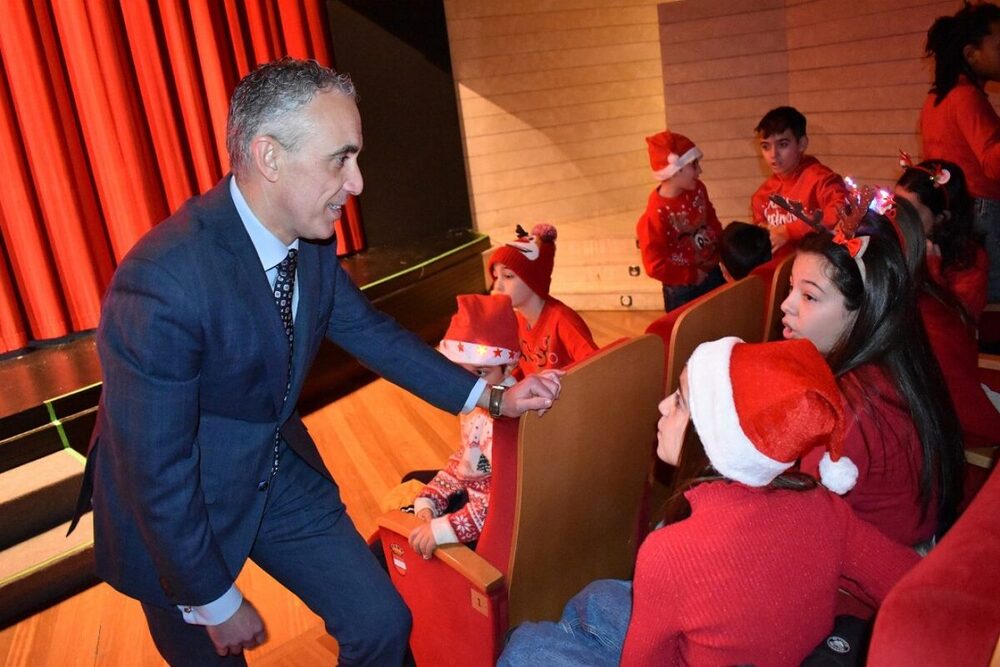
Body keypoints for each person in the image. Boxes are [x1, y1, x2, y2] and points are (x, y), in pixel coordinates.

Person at [69, 58, 561, 667]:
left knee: (381, 623)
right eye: (340, 158)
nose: (357, 183)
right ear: (270, 157)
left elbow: (372, 334)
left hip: (269, 465)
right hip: (172, 509)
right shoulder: (163, 281)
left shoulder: (311, 243)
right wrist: (215, 603)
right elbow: (155, 471)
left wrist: (492, 397)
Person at [498, 337, 921, 666]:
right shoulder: (823, 505)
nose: (664, 406)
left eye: (681, 401)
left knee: (525, 645)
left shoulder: (669, 552)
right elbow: (909, 576)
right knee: (597, 595)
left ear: (714, 439)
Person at [780, 210, 965, 546]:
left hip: (877, 574)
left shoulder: (850, 408)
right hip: (912, 542)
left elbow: (799, 517)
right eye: (791, 287)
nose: (785, 305)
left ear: (862, 311)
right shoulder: (892, 360)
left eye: (809, 296)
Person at [408, 294, 519, 558]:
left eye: (480, 373)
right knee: (412, 490)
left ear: (510, 367)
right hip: (475, 505)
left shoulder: (508, 426)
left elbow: (500, 504)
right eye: (458, 371)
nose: (468, 385)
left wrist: (443, 529)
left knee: (389, 550)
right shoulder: (477, 408)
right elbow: (469, 460)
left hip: (493, 531)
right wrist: (431, 498)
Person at [891, 195, 1000, 452]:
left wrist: (932, 273)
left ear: (941, 218)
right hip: (949, 405)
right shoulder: (916, 297)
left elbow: (962, 316)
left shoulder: (965, 257)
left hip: (959, 416)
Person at [921, 2, 1000, 301]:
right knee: (992, 298)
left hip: (958, 209)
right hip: (984, 209)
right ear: (971, 54)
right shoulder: (967, 98)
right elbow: (993, 164)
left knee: (970, 294)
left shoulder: (937, 99)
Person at [488, 223, 598, 375]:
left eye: (507, 276)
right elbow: (524, 368)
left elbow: (597, 366)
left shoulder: (562, 321)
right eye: (496, 276)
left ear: (533, 280)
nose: (497, 285)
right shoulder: (518, 321)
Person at [635, 130, 725, 310]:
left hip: (712, 271)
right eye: (694, 165)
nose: (700, 170)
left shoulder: (698, 189)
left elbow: (712, 221)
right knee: (689, 332)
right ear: (675, 170)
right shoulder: (656, 214)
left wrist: (722, 253)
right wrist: (690, 275)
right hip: (683, 287)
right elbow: (654, 265)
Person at [896, 157, 988, 322]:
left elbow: (958, 321)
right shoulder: (896, 237)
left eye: (909, 213)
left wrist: (930, 275)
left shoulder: (968, 259)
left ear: (941, 218)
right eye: (895, 207)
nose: (898, 218)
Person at [751, 106, 849, 254]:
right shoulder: (762, 196)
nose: (773, 154)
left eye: (782, 144)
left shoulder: (821, 179)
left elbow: (842, 211)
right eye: (766, 146)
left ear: (802, 144)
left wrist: (789, 231)